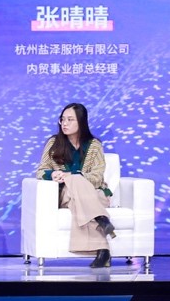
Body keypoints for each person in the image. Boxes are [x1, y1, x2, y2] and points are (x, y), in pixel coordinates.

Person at [33, 102, 118, 268]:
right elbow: (41, 171)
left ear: (81, 122)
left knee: (78, 193)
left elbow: (97, 177)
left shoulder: (94, 145)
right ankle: (100, 218)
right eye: (62, 119)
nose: (64, 123)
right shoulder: (53, 143)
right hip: (66, 193)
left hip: (95, 193)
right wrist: (53, 174)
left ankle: (104, 252)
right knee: (74, 184)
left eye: (70, 120)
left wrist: (73, 176)